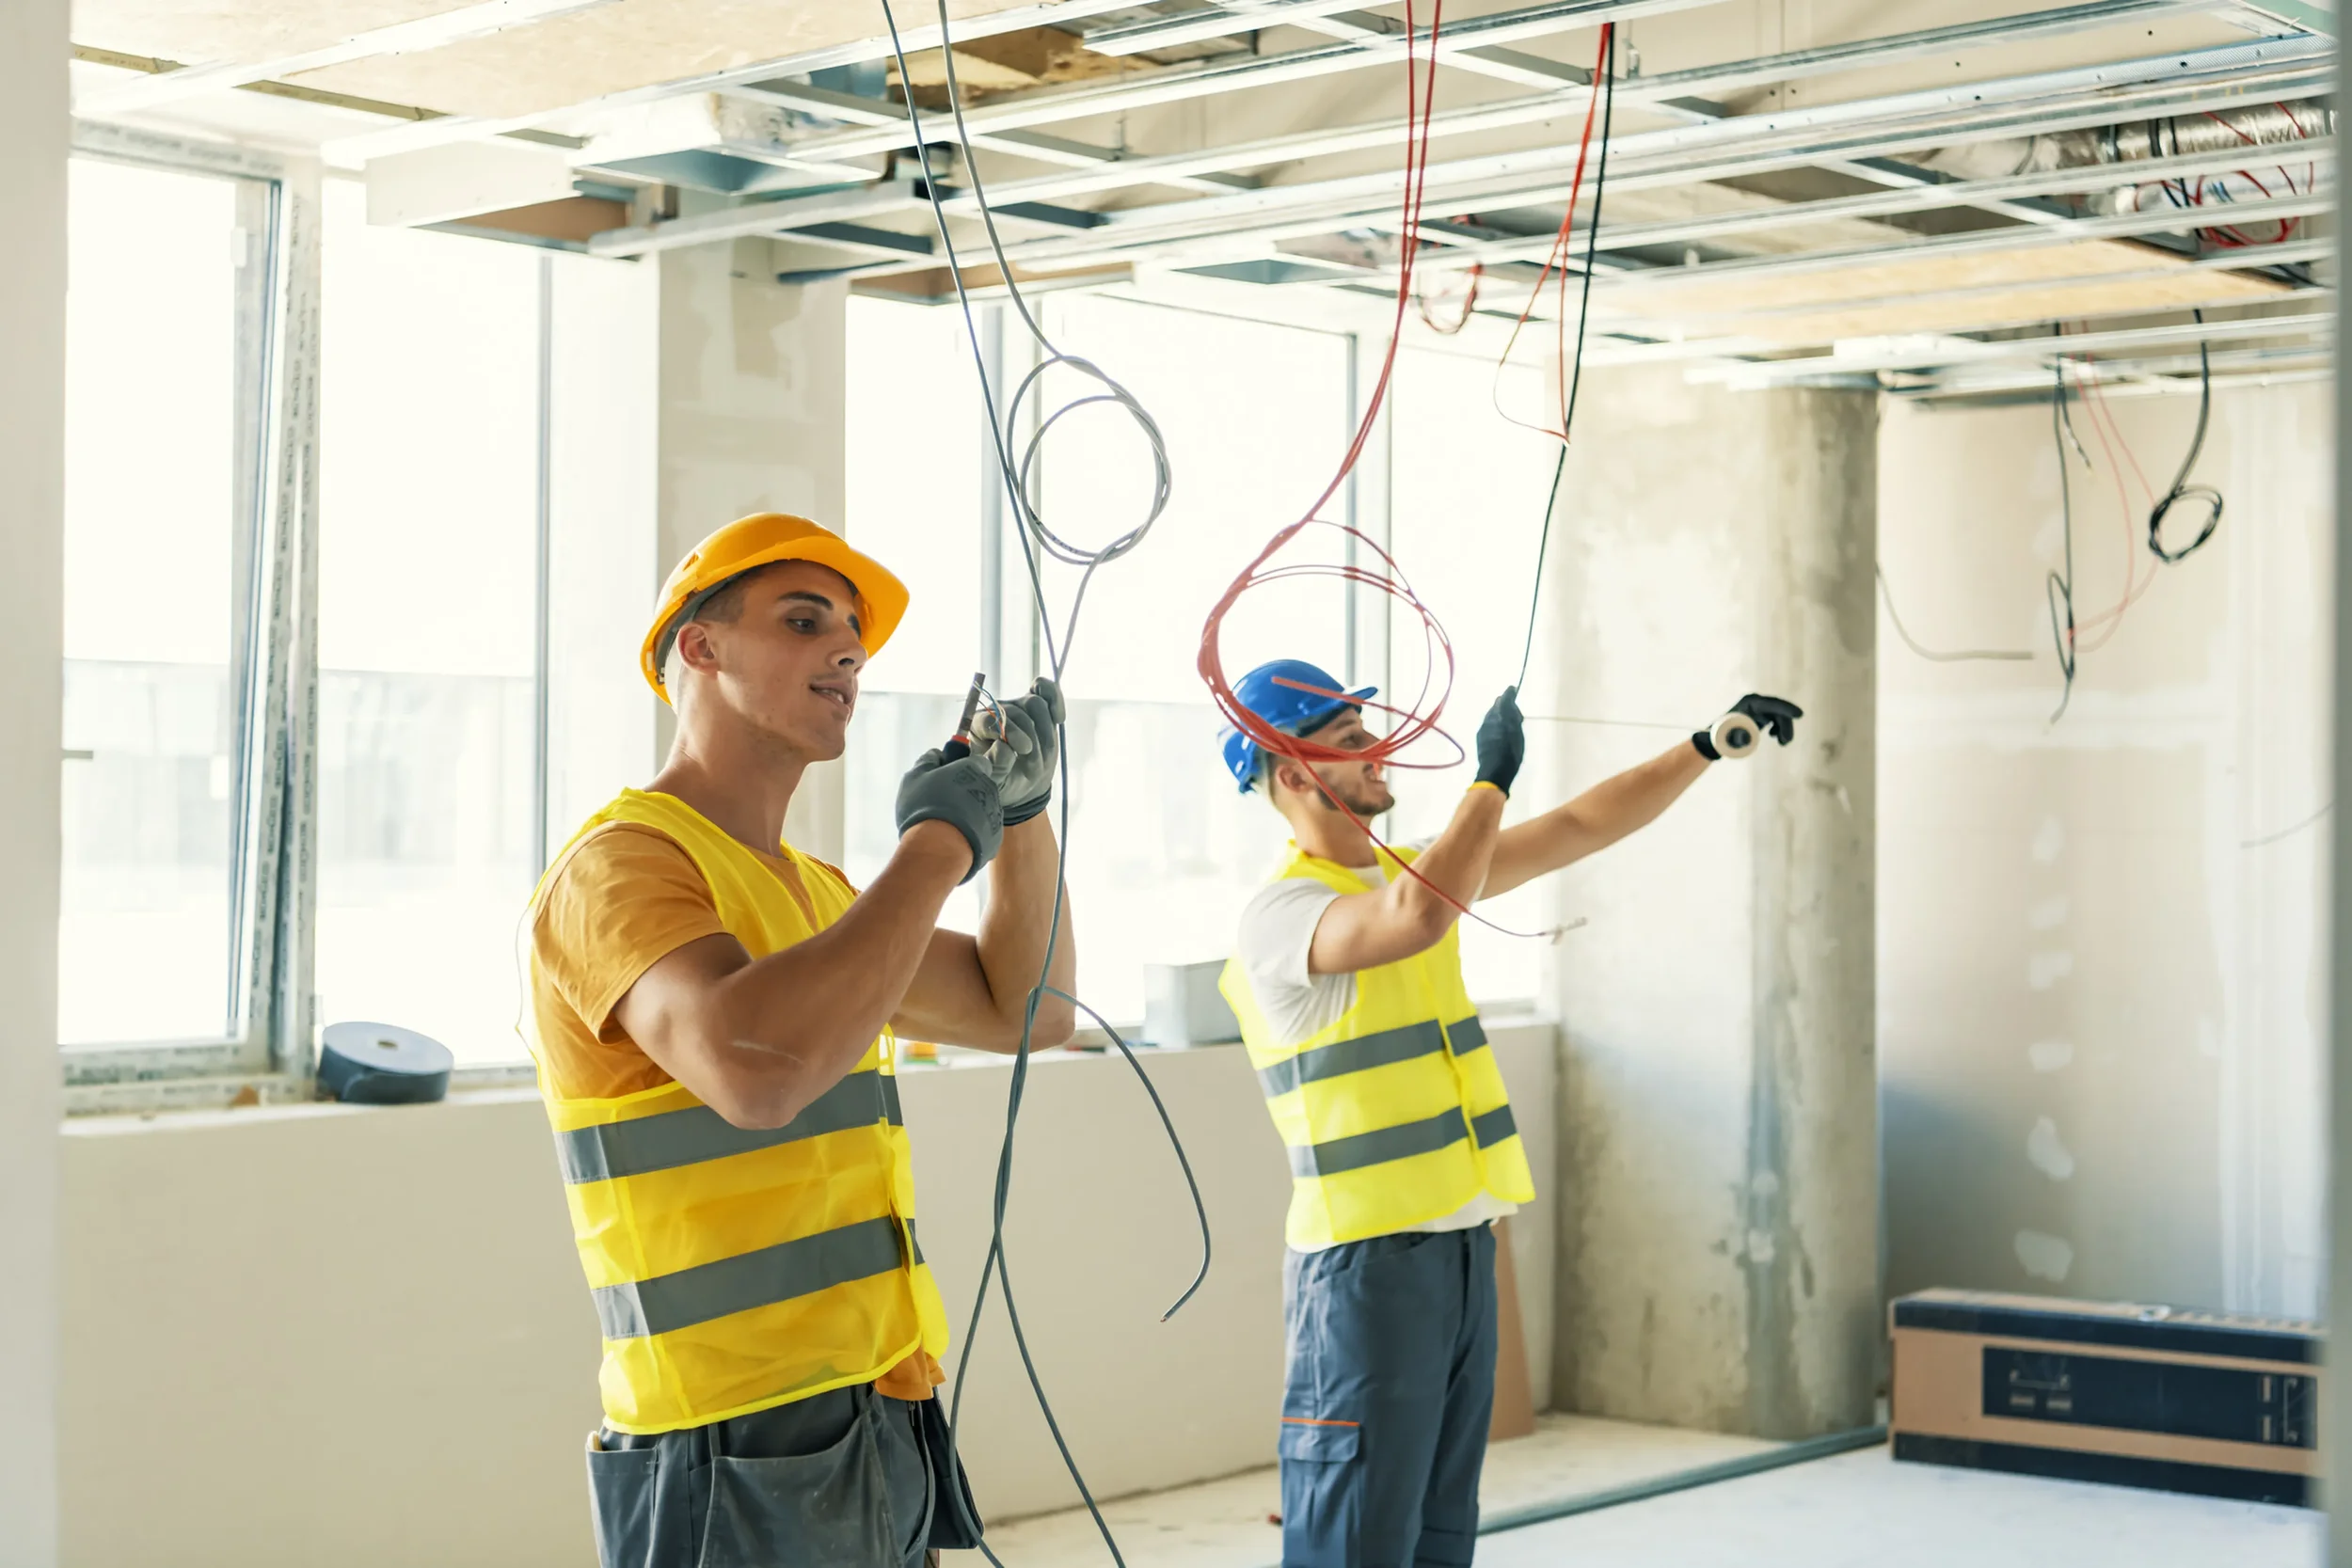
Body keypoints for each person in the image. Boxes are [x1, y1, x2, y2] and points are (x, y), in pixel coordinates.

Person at [525, 512, 1075, 1568]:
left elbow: (1031, 1008)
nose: (847, 650)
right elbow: (754, 1071)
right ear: (700, 644)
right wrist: (941, 836)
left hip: (877, 1407)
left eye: (854, 634)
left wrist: (1022, 810)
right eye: (802, 618)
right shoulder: (617, 868)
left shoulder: (820, 896)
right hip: (726, 1438)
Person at [1216, 657, 1802, 1568]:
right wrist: (1488, 779)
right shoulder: (1286, 912)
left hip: (1458, 1248)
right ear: (1292, 774)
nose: (1381, 750)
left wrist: (1704, 746)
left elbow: (1576, 825)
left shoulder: (1413, 875)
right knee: (1356, 1537)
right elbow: (1414, 919)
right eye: (1350, 740)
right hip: (1362, 1270)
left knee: (1439, 1531)